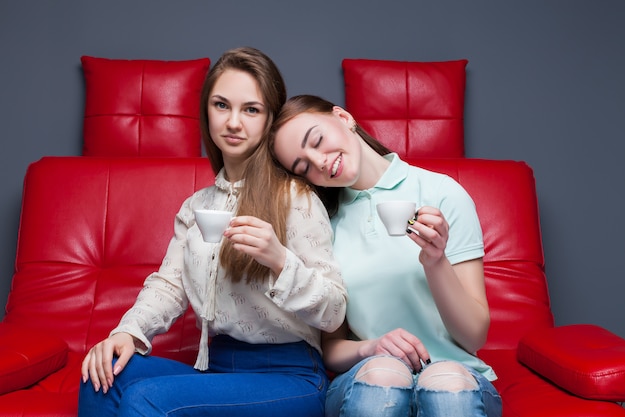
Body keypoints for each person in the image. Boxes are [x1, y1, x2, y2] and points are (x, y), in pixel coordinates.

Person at [78, 49, 347, 417]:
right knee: (102, 374)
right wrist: (128, 333)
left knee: (146, 400)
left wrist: (279, 260)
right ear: (207, 111)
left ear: (270, 119)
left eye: (251, 109)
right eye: (222, 105)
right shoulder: (196, 206)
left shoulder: (295, 198)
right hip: (217, 367)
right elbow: (169, 285)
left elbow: (334, 310)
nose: (234, 122)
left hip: (291, 375)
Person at [270, 94, 502, 417]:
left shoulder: (442, 193)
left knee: (445, 386)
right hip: (372, 379)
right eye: (304, 166)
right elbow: (331, 348)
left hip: (456, 376)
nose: (319, 162)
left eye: (317, 140)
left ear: (343, 117)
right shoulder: (322, 226)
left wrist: (436, 262)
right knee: (384, 373)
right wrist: (372, 348)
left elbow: (474, 334)